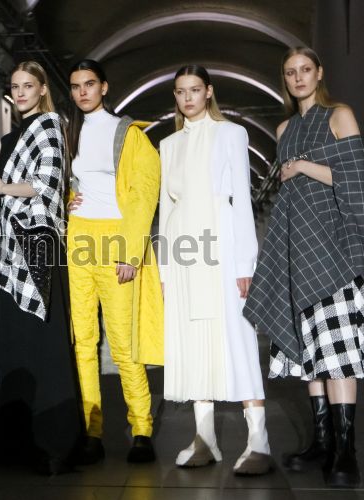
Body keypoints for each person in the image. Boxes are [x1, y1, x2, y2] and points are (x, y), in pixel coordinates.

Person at [244, 47, 364, 488]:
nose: (299, 78)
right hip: (298, 250)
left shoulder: (339, 115)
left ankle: (346, 451)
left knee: (338, 354)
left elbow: (357, 178)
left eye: (306, 70)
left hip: (335, 250)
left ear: (319, 73)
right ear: (284, 79)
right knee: (311, 353)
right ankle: (322, 443)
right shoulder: (284, 129)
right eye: (290, 72)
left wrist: (304, 166)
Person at [158, 65, 272, 475]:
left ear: (208, 92)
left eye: (194, 89)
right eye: (180, 91)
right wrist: (165, 270)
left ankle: (259, 441)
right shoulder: (168, 144)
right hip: (184, 252)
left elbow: (241, 199)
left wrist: (245, 263)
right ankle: (204, 439)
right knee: (193, 342)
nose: (187, 97)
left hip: (222, 246)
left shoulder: (231, 134)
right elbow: (166, 207)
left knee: (236, 337)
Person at [0, 61, 82, 475]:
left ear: (42, 89)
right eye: (15, 86)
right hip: (9, 246)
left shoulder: (51, 126)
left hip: (38, 242)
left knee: (43, 341)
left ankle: (54, 441)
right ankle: (14, 442)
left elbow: (48, 183)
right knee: (14, 342)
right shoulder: (8, 139)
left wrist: (3, 187)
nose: (21, 92)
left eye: (28, 85)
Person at [66, 59, 162, 464]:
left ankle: (141, 430)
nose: (82, 92)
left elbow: (145, 192)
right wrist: (66, 201)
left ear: (104, 87)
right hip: (77, 238)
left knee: (123, 344)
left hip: (116, 239)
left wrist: (131, 251)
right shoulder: (68, 132)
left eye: (89, 84)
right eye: (76, 86)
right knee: (83, 341)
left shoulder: (128, 133)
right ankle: (92, 432)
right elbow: (61, 182)